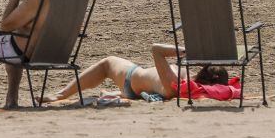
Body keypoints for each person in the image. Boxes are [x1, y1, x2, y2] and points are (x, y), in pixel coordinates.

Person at [40, 44, 228, 103]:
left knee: (107, 63)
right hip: (136, 91)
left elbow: (156, 50)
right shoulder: (183, 87)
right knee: (111, 77)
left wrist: (188, 50)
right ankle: (111, 94)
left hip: (131, 77)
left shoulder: (176, 83)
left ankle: (61, 94)